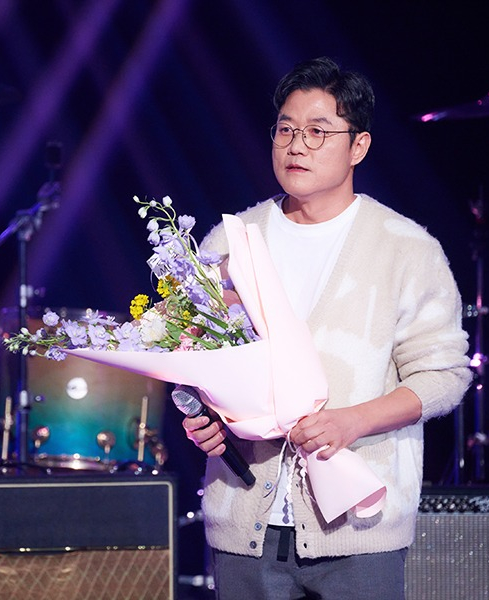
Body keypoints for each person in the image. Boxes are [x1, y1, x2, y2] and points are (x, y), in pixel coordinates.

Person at [182, 56, 473, 599]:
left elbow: (444, 375)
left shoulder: (406, 248)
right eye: (286, 130)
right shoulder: (230, 243)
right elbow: (197, 363)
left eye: (318, 132)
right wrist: (207, 418)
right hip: (245, 521)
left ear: (358, 146)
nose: (297, 146)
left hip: (359, 530)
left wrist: (353, 421)